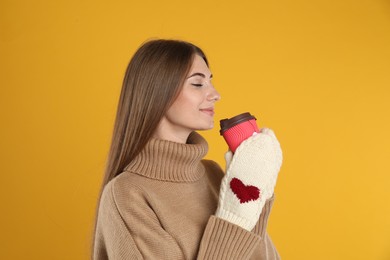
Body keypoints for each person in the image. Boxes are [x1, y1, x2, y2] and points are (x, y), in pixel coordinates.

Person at [92, 39, 283, 260]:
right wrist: (234, 217)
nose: (215, 94)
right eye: (197, 83)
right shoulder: (127, 194)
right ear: (158, 92)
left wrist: (260, 189)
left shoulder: (213, 174)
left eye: (210, 82)